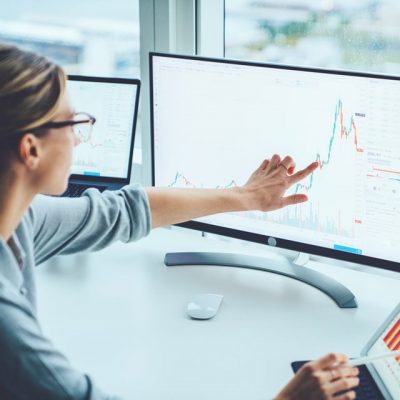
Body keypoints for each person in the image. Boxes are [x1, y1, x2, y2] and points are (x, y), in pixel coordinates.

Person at [0, 43, 359, 400]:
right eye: (73, 123)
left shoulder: (19, 221)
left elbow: (123, 211)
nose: (80, 138)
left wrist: (246, 197)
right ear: (31, 149)